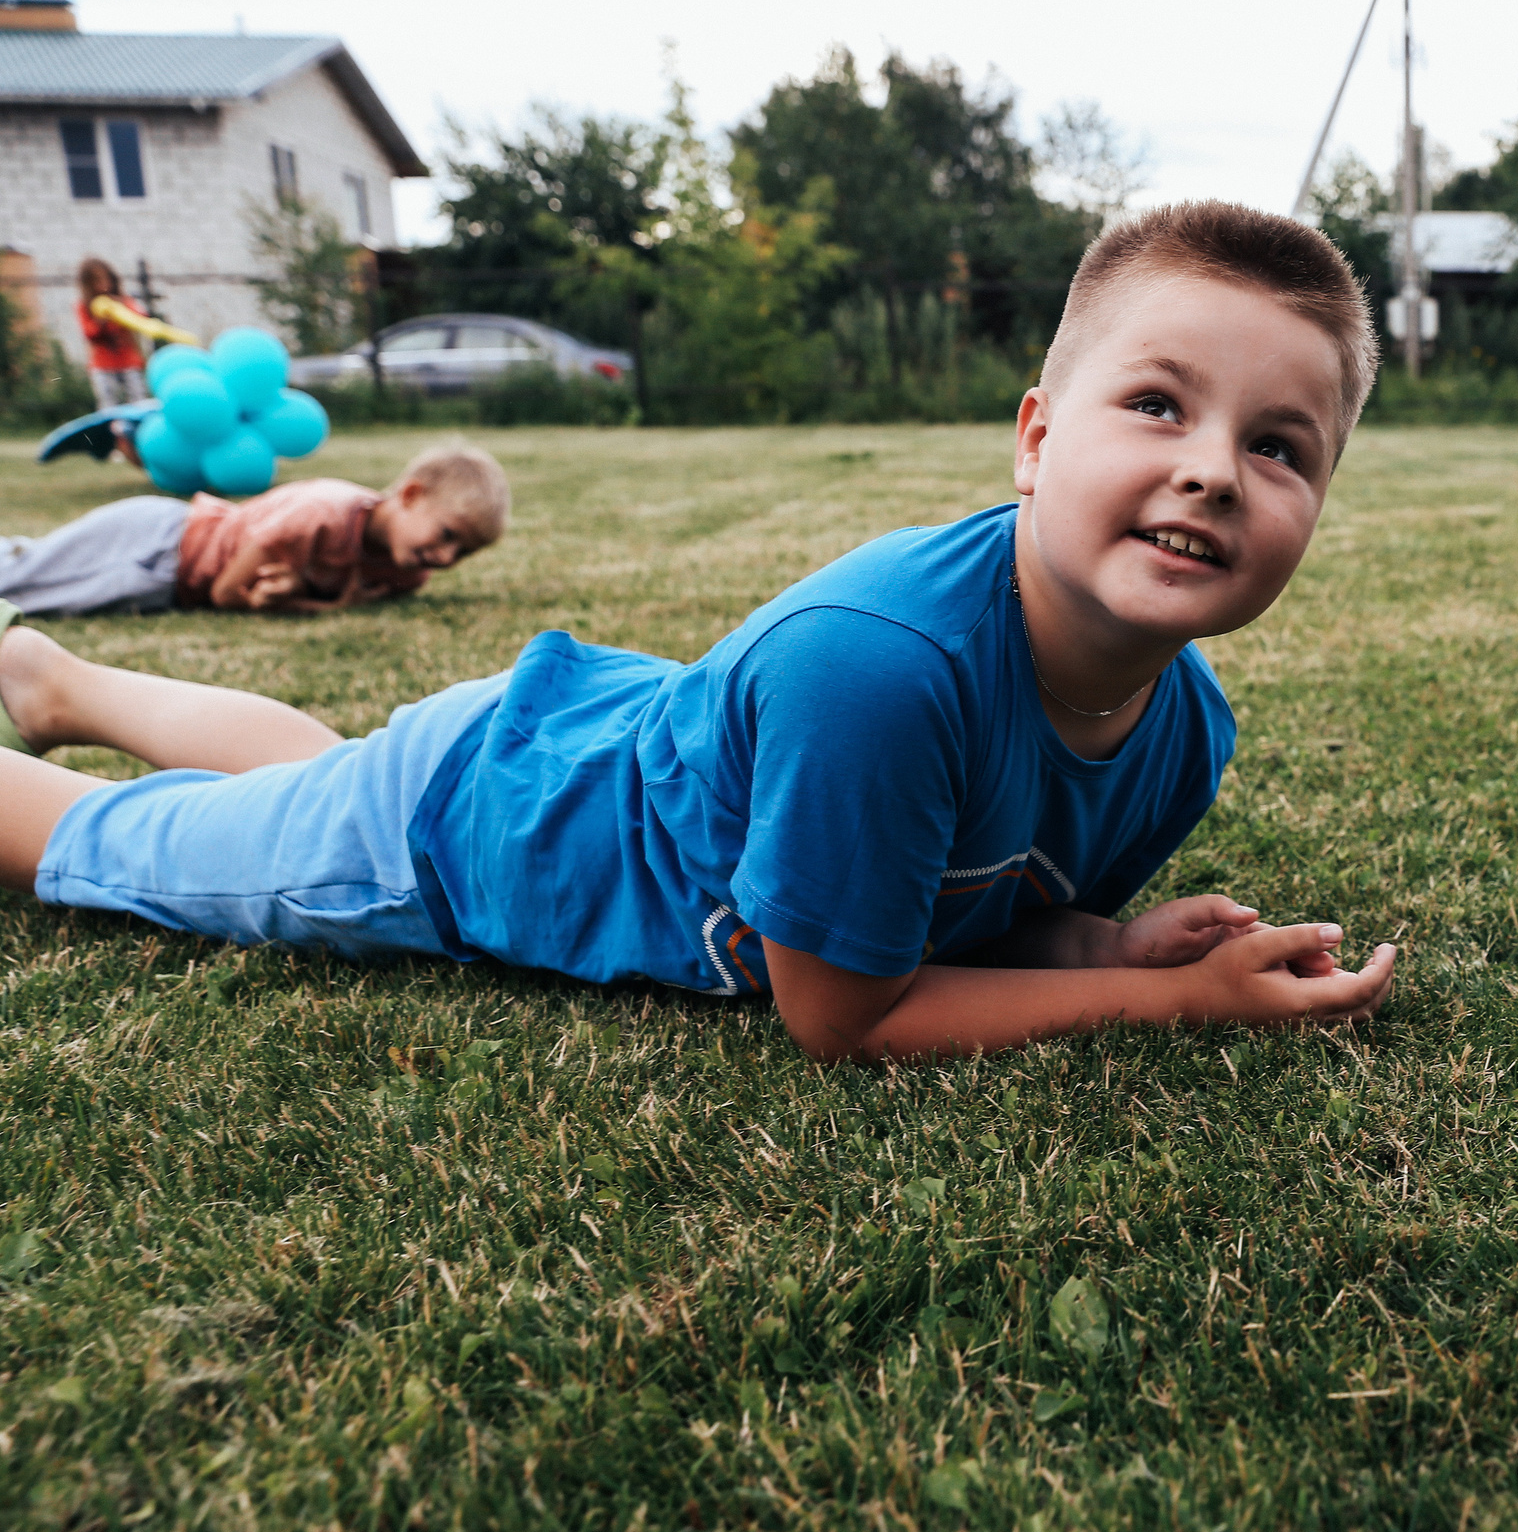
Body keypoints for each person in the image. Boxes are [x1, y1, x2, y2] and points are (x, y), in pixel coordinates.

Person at [0, 202, 1396, 1064]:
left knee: (321, 768)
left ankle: (56, 675)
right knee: (116, 848)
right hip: (457, 833)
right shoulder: (880, 672)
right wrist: (1167, 1003)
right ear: (1034, 439)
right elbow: (846, 1015)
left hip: (543, 732)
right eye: (1157, 403)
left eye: (1280, 445)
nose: (1213, 466)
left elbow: (969, 901)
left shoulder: (1188, 729)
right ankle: (46, 743)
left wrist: (1103, 940)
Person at [0, 441, 508, 619]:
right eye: (446, 535)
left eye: (462, 554)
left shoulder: (406, 575)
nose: (444, 559)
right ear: (412, 495)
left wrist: (289, 592)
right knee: (24, 573)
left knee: (34, 604)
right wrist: (323, 607)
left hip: (167, 590)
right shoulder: (324, 512)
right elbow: (226, 595)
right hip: (162, 542)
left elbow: (280, 589)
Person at [74, 258, 147, 414]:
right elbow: (89, 334)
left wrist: (121, 308)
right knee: (108, 404)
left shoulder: (123, 301)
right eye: (96, 281)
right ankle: (110, 435)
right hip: (103, 365)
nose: (103, 285)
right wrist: (100, 321)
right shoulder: (83, 307)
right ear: (88, 285)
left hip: (129, 361)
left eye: (106, 279)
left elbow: (141, 316)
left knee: (139, 400)